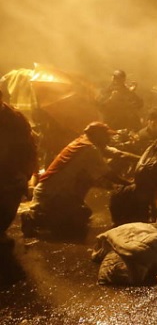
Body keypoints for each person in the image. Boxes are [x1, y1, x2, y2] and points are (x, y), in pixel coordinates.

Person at [20, 122, 135, 238]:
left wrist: (141, 159)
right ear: (97, 135)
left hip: (55, 192)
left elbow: (119, 154)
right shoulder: (89, 148)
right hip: (51, 194)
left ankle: (48, 212)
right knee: (78, 219)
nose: (108, 138)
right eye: (106, 135)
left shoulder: (84, 142)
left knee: (84, 213)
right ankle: (34, 217)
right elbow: (108, 174)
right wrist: (129, 183)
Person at [0, 90, 38, 247]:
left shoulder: (15, 118)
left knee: (8, 201)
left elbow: (27, 144)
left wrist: (28, 171)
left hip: (11, 168)